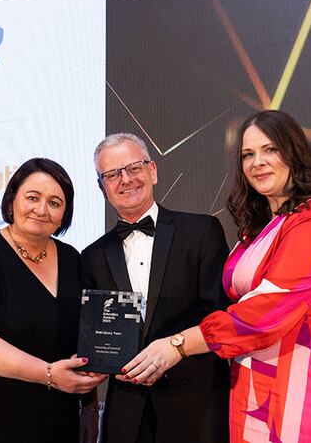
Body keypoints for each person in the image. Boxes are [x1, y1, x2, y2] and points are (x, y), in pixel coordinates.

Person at [124, 110, 311, 442]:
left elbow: (269, 309)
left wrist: (179, 345)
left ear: (294, 152)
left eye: (270, 149)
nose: (257, 162)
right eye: (248, 154)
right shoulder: (259, 227)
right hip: (257, 374)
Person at [0, 158, 107, 443]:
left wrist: (89, 407)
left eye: (55, 203)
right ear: (12, 200)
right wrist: (48, 373)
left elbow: (84, 342)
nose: (42, 209)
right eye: (32, 197)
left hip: (56, 417)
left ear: (65, 213)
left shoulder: (72, 259)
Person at [81, 134, 231, 443]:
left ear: (153, 171)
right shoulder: (92, 256)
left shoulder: (201, 231)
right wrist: (100, 364)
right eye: (112, 174)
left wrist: (175, 351)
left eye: (133, 167)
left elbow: (220, 317)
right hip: (127, 415)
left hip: (196, 408)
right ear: (102, 187)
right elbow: (97, 335)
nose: (125, 179)